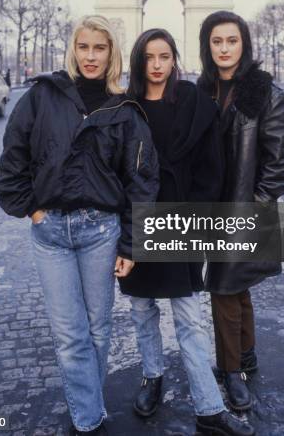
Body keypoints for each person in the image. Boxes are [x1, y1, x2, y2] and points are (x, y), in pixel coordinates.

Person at [0, 15, 159, 435]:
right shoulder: (41, 96)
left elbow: (141, 181)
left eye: (99, 48)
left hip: (100, 232)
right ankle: (90, 421)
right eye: (84, 47)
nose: (90, 56)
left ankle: (88, 407)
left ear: (111, 53)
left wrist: (131, 245)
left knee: (98, 329)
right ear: (73, 49)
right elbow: (13, 156)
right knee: (71, 335)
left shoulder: (125, 110)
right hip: (50, 232)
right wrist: (31, 210)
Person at [120, 28, 255, 436]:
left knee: (188, 317)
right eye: (149, 57)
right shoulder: (125, 106)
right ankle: (152, 376)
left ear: (175, 58)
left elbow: (211, 166)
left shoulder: (195, 102)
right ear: (139, 61)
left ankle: (209, 407)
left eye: (165, 56)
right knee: (143, 311)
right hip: (139, 218)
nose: (157, 65)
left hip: (181, 219)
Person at [197, 10, 284, 412]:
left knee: (223, 287)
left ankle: (232, 371)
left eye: (232, 41)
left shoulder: (267, 95)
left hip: (243, 209)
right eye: (216, 41)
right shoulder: (202, 91)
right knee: (235, 287)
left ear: (245, 44)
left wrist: (254, 206)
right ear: (207, 45)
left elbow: (281, 164)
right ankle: (248, 352)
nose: (224, 48)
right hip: (208, 208)